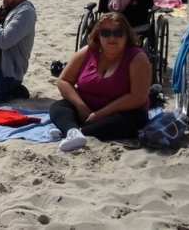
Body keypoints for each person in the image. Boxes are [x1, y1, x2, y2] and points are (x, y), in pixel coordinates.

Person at [49, 12, 151, 152]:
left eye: (118, 33)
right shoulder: (88, 52)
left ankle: (77, 132)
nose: (112, 37)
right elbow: (63, 80)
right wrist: (82, 107)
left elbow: (138, 97)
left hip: (119, 112)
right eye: (106, 33)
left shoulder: (137, 58)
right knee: (59, 107)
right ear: (98, 35)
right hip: (87, 108)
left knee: (133, 119)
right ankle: (72, 131)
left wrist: (100, 114)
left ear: (127, 35)